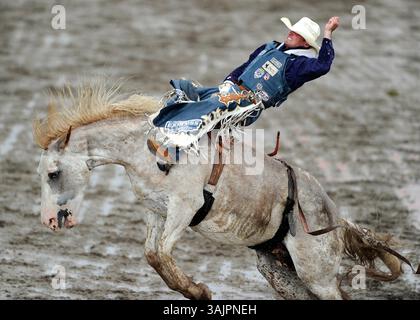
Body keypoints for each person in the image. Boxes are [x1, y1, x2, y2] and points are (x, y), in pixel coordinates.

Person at [218, 16, 340, 125]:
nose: (292, 33)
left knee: (207, 110)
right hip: (232, 92)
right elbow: (247, 66)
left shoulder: (299, 66)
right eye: (293, 30)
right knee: (201, 95)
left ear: (306, 44)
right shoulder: (270, 47)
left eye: (298, 34)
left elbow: (323, 65)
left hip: (248, 109)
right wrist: (228, 81)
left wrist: (328, 33)